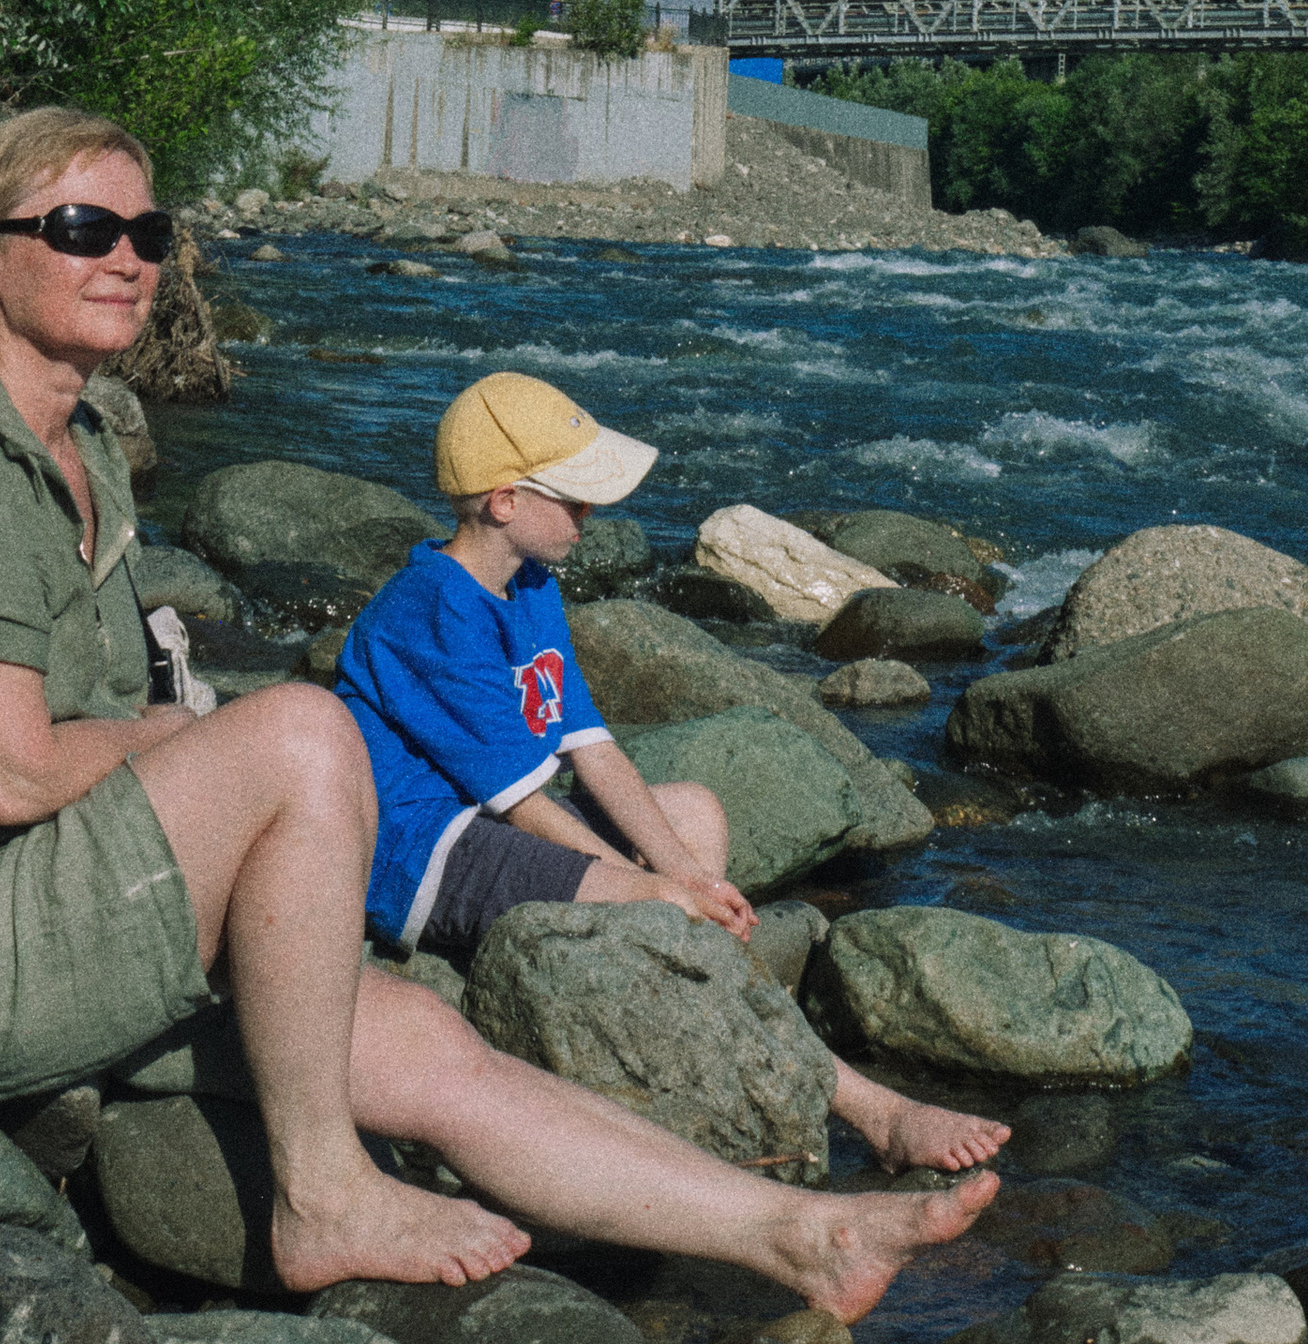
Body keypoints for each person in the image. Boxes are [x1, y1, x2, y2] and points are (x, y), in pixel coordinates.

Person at [0, 107, 999, 1306]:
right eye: (83, 230)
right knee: (303, 730)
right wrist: (184, 743)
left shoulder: (67, 451)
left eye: (148, 231)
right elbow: (8, 774)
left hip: (51, 905)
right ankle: (325, 1195)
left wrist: (199, 779)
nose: (128, 259)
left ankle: (801, 1235)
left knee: (430, 1049)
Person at [337, 371, 1009, 1180]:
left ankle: (684, 1006)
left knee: (693, 815)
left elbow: (591, 747)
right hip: (421, 853)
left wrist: (687, 875)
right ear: (505, 501)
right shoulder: (433, 609)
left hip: (488, 822)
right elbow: (522, 805)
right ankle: (874, 1110)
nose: (592, 517)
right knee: (661, 907)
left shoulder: (529, 585)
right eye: (576, 500)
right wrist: (652, 891)